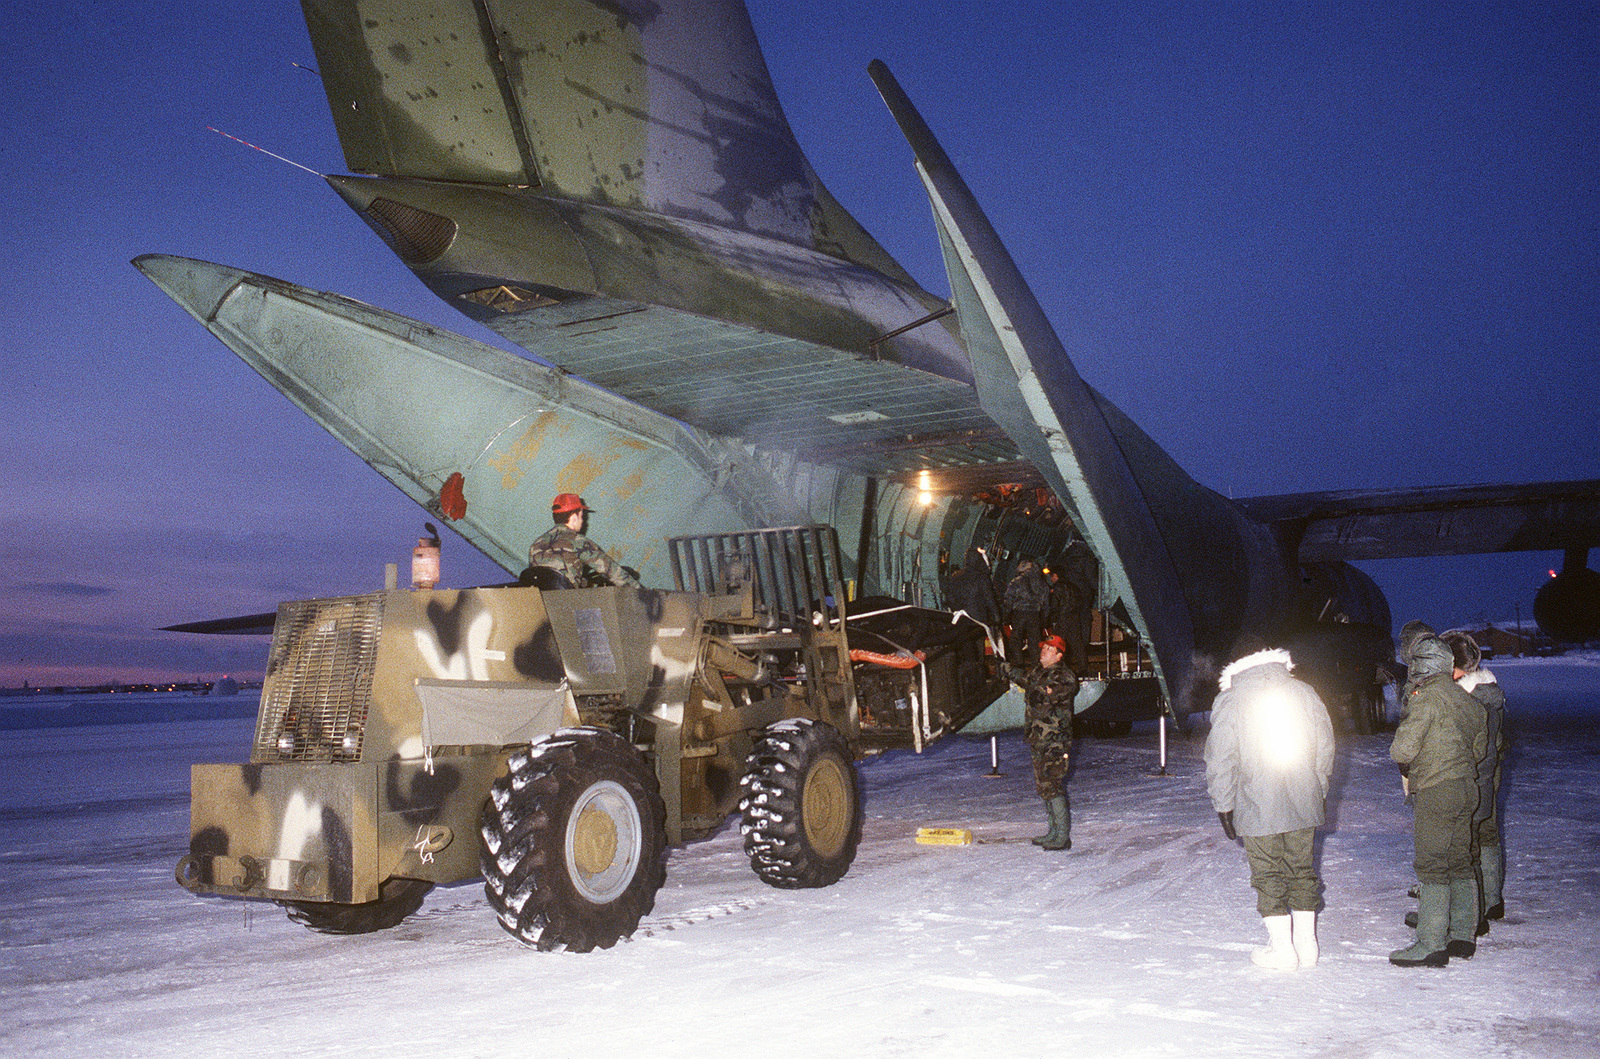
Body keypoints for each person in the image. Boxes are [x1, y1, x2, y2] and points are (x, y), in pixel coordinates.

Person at [1203, 640, 1336, 971]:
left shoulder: (1232, 700)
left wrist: (1224, 804)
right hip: (1304, 798)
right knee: (1302, 870)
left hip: (1256, 801)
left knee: (1268, 873)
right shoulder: (1304, 692)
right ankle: (1308, 947)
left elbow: (1221, 757)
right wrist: (1317, 788)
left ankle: (1282, 950)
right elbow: (1325, 746)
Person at [1388, 634, 1487, 967]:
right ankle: (1463, 935)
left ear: (1421, 665)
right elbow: (1480, 751)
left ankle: (1430, 943)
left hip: (1436, 790)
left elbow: (1403, 749)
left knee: (1432, 865)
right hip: (1467, 789)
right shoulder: (1470, 702)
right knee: (1460, 860)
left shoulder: (1425, 697)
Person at [1443, 631, 1508, 932]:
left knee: (1467, 844)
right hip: (1489, 773)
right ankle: (1492, 900)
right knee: (1487, 835)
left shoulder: (1470, 699)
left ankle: (1474, 912)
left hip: (1474, 777)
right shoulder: (1489, 690)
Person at [1004, 634, 1078, 851]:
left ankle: (1062, 837)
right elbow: (1032, 683)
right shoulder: (1039, 672)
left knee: (1053, 784)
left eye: (1048, 648)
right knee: (1044, 785)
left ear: (1059, 655)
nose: (1043, 650)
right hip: (1038, 737)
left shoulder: (1065, 677)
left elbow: (1041, 693)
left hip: (1056, 740)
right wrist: (1010, 671)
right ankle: (1053, 832)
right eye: (1043, 647)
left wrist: (1023, 678)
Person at [526, 493, 639, 588]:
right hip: (570, 605)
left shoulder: (536, 544)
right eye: (581, 516)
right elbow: (612, 572)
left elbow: (551, 579)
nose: (583, 521)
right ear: (574, 517)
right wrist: (642, 591)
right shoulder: (578, 541)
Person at [1003, 558, 1050, 664]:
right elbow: (1046, 605)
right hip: (1035, 616)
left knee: (1016, 641)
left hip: (1018, 615)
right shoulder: (1042, 584)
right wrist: (1044, 621)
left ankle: (1019, 665)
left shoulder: (1016, 582)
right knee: (1035, 643)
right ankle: (1036, 667)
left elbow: (1008, 601)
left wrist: (1006, 617)